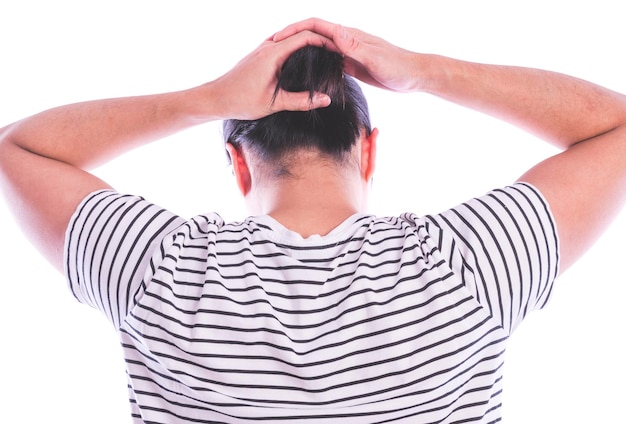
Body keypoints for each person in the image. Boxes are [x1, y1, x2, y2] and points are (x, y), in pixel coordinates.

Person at [0, 16, 624, 423]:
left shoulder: (157, 267)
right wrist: (431, 72)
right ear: (369, 149)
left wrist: (205, 99)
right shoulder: (468, 264)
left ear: (238, 164)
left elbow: (17, 149)